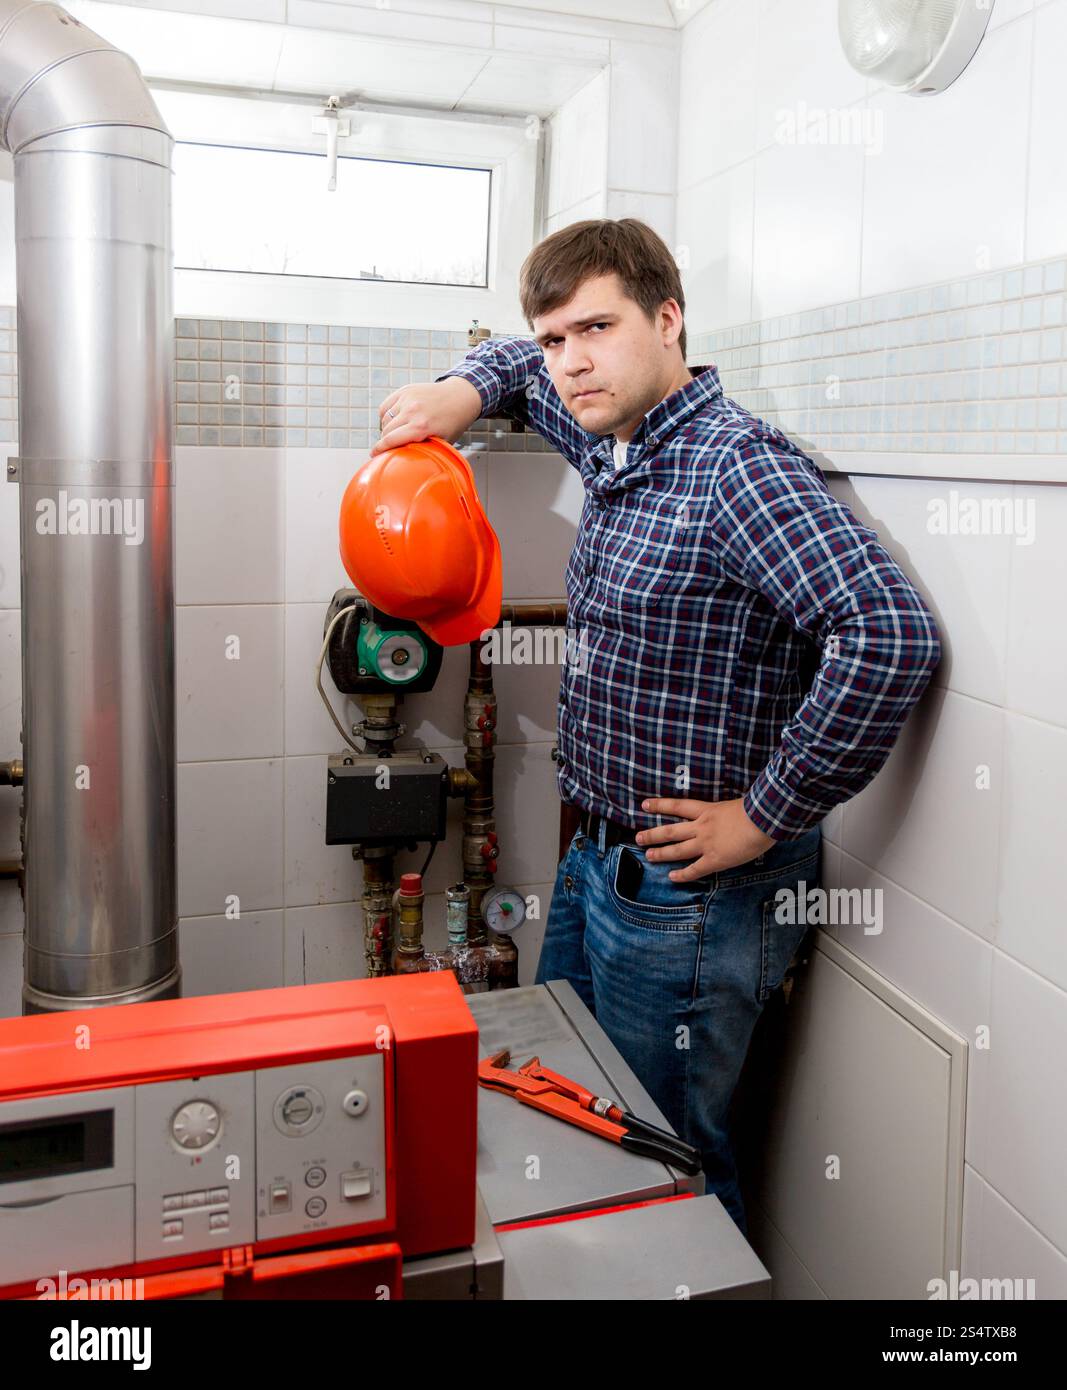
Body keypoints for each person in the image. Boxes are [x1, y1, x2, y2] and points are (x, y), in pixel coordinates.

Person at [371, 218, 942, 1236]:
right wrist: (465, 390)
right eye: (555, 339)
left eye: (596, 326)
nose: (569, 361)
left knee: (665, 1160)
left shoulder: (733, 468)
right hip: (604, 867)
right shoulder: (615, 441)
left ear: (668, 320)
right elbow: (514, 362)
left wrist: (763, 815)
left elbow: (887, 635)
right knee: (574, 1111)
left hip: (695, 895)